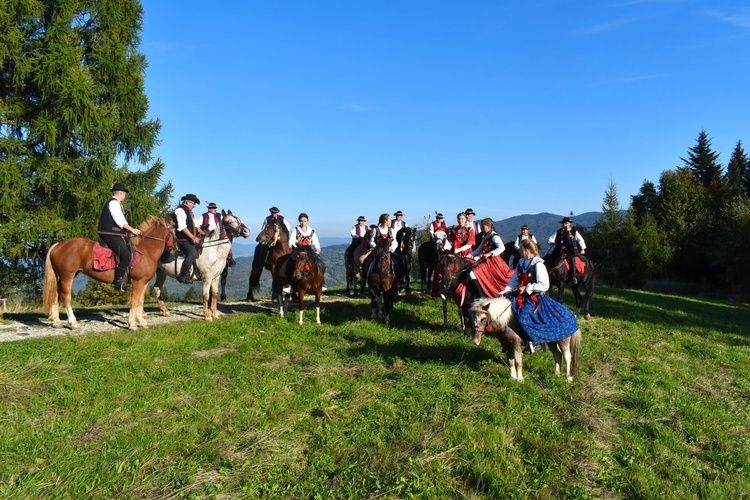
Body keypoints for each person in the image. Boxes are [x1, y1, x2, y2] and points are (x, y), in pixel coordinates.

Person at [501, 239, 579, 353]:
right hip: (520, 294)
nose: (519, 252)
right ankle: (511, 341)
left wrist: (527, 287)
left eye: (521, 249)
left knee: (523, 316)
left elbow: (544, 284)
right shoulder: (521, 262)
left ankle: (535, 341)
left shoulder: (538, 264)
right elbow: (514, 280)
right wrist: (506, 290)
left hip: (535, 297)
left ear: (527, 250)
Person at [97, 182, 142, 291]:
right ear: (120, 193)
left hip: (114, 234)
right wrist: (132, 230)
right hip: (110, 235)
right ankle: (118, 281)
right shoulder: (114, 203)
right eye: (124, 194)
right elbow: (120, 221)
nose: (125, 196)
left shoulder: (116, 203)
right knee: (126, 256)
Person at [467, 218, 513, 298]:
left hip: (494, 262)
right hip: (486, 261)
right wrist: (470, 255)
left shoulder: (494, 236)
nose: (482, 229)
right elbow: (479, 249)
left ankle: (480, 294)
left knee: (473, 273)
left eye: (483, 227)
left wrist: (490, 253)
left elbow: (502, 248)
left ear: (489, 226)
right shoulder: (486, 236)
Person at [286, 213, 326, 293]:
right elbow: (291, 241)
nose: (302, 222)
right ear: (299, 221)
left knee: (320, 264)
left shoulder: (311, 231)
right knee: (291, 263)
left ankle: (322, 283)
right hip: (299, 250)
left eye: (304, 221)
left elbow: (315, 241)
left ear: (307, 221)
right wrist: (296, 247)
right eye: (301, 221)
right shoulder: (295, 230)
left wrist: (317, 249)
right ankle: (289, 285)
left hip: (309, 251)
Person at [174, 193, 204, 284]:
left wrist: (203, 233)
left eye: (194, 204)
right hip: (182, 239)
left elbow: (196, 225)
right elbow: (182, 227)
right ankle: (182, 276)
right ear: (187, 202)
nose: (194, 205)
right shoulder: (180, 210)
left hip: (189, 238)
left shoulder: (189, 212)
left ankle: (195, 272)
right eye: (193, 203)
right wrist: (193, 237)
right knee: (192, 253)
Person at [548, 216, 586, 285]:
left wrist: (582, 249)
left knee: (572, 261)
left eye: (565, 223)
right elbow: (552, 238)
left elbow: (580, 240)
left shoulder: (574, 231)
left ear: (569, 224)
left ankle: (573, 277)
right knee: (548, 258)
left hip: (570, 251)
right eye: (563, 223)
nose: (564, 224)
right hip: (558, 251)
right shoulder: (559, 231)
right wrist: (551, 242)